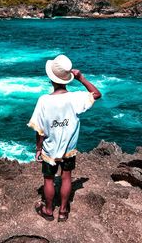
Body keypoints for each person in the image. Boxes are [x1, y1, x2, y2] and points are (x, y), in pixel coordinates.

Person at [28, 54, 101, 222]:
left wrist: (38, 148)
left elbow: (39, 130)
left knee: (48, 179)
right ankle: (62, 211)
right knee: (66, 177)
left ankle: (48, 210)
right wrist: (81, 78)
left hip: (49, 149)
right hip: (69, 149)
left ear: (51, 78)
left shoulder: (44, 101)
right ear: (68, 78)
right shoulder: (75, 97)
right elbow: (96, 94)